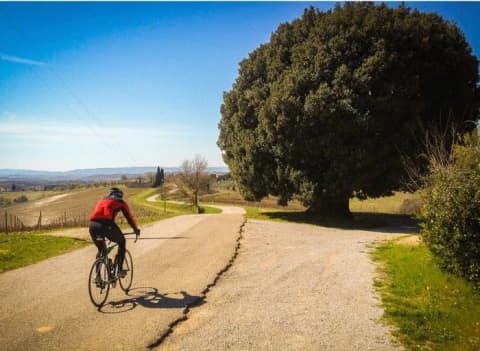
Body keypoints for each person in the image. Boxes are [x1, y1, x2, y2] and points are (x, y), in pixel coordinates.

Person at [89, 187, 140, 277]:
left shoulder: (102, 200)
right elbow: (129, 217)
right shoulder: (121, 202)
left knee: (101, 250)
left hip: (93, 225)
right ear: (120, 195)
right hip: (107, 225)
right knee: (122, 241)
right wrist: (136, 229)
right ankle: (120, 270)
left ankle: (97, 277)